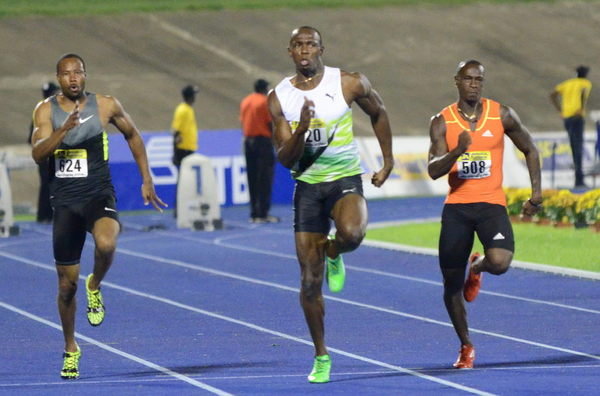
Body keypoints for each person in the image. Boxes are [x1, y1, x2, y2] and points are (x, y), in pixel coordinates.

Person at [268, 26, 394, 383]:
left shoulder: (349, 83)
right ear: (289, 51)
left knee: (353, 234)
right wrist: (302, 129)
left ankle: (335, 251)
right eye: (298, 45)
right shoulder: (278, 97)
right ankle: (321, 355)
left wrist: (387, 161)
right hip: (307, 188)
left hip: (344, 180)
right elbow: (284, 158)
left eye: (311, 44)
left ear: (322, 48)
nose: (305, 50)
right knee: (310, 282)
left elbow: (379, 112)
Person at [31, 53, 167, 380]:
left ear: (85, 75)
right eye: (66, 74)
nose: (73, 79)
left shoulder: (105, 105)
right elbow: (38, 153)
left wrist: (146, 178)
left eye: (78, 72)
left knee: (107, 244)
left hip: (97, 194)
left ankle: (95, 283)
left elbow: (133, 134)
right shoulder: (45, 110)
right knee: (66, 286)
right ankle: (70, 348)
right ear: (59, 78)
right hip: (64, 202)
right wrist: (62, 131)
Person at [427, 59, 542, 369]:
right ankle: (466, 345)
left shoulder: (501, 113)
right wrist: (456, 152)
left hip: (491, 204)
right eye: (469, 79)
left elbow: (530, 148)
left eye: (479, 79)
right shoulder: (442, 121)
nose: (474, 84)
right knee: (451, 285)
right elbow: (433, 170)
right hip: (458, 208)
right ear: (457, 81)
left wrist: (536, 192)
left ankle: (477, 267)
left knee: (501, 263)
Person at [240, 78, 279, 224]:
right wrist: (276, 140)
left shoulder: (245, 101)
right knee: (264, 178)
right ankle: (263, 213)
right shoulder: (264, 101)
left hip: (248, 141)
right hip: (262, 142)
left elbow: (243, 120)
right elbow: (269, 123)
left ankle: (254, 212)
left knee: (252, 178)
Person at [550, 65, 592, 188]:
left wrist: (560, 110)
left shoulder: (567, 83)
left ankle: (578, 178)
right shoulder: (585, 82)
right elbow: (584, 93)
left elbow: (552, 95)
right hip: (577, 116)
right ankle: (579, 180)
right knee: (578, 147)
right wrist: (582, 108)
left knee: (574, 146)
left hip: (567, 118)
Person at [28, 81, 59, 223]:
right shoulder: (45, 112)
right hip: (47, 155)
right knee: (48, 184)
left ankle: (45, 215)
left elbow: (31, 138)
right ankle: (45, 215)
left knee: (48, 185)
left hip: (46, 155)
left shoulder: (40, 111)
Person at [171, 84, 199, 217]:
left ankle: (184, 209)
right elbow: (176, 132)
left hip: (188, 149)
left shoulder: (188, 109)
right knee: (183, 181)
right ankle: (179, 210)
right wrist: (175, 152)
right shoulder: (182, 110)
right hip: (183, 150)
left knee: (186, 181)